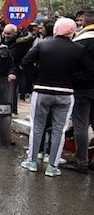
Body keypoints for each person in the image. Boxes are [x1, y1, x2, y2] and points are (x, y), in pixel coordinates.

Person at [20, 17, 94, 176]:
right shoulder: (79, 49)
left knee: (37, 127)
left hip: (42, 91)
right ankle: (52, 167)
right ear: (73, 30)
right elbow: (90, 72)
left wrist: (37, 77)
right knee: (59, 130)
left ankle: (32, 162)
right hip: (65, 94)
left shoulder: (43, 45)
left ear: (55, 30)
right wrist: (72, 79)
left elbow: (25, 63)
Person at [63, 10, 94, 173]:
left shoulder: (81, 41)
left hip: (83, 88)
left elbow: (72, 64)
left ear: (85, 23)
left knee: (81, 125)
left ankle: (81, 162)